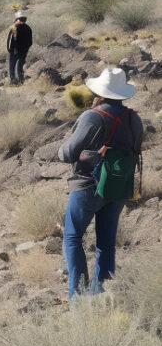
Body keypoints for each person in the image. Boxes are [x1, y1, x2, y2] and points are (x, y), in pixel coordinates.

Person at [58, 67, 144, 299]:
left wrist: (63, 146)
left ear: (101, 92)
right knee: (106, 243)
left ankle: (78, 299)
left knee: (73, 237)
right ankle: (104, 295)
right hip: (119, 186)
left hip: (88, 185)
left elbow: (68, 153)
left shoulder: (93, 116)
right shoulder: (134, 118)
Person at [7, 11, 33, 85]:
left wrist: (10, 50)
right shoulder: (28, 28)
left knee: (12, 66)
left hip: (14, 51)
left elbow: (10, 42)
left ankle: (13, 81)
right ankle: (21, 80)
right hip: (23, 51)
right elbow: (30, 42)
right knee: (20, 66)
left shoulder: (14, 28)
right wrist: (25, 50)